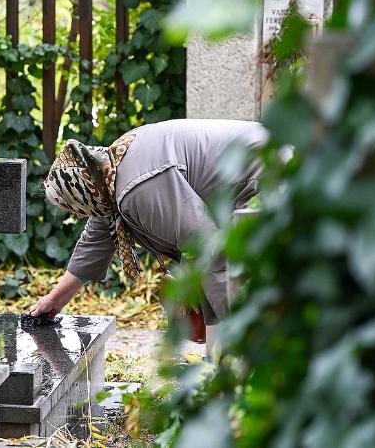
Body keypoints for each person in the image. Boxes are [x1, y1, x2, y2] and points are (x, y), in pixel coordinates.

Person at [30, 119, 268, 354]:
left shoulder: (135, 189)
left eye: (72, 207)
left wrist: (232, 331)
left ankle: (247, 364)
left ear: (82, 193)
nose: (77, 215)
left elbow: (208, 247)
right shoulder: (110, 177)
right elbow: (91, 248)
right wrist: (54, 301)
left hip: (266, 173)